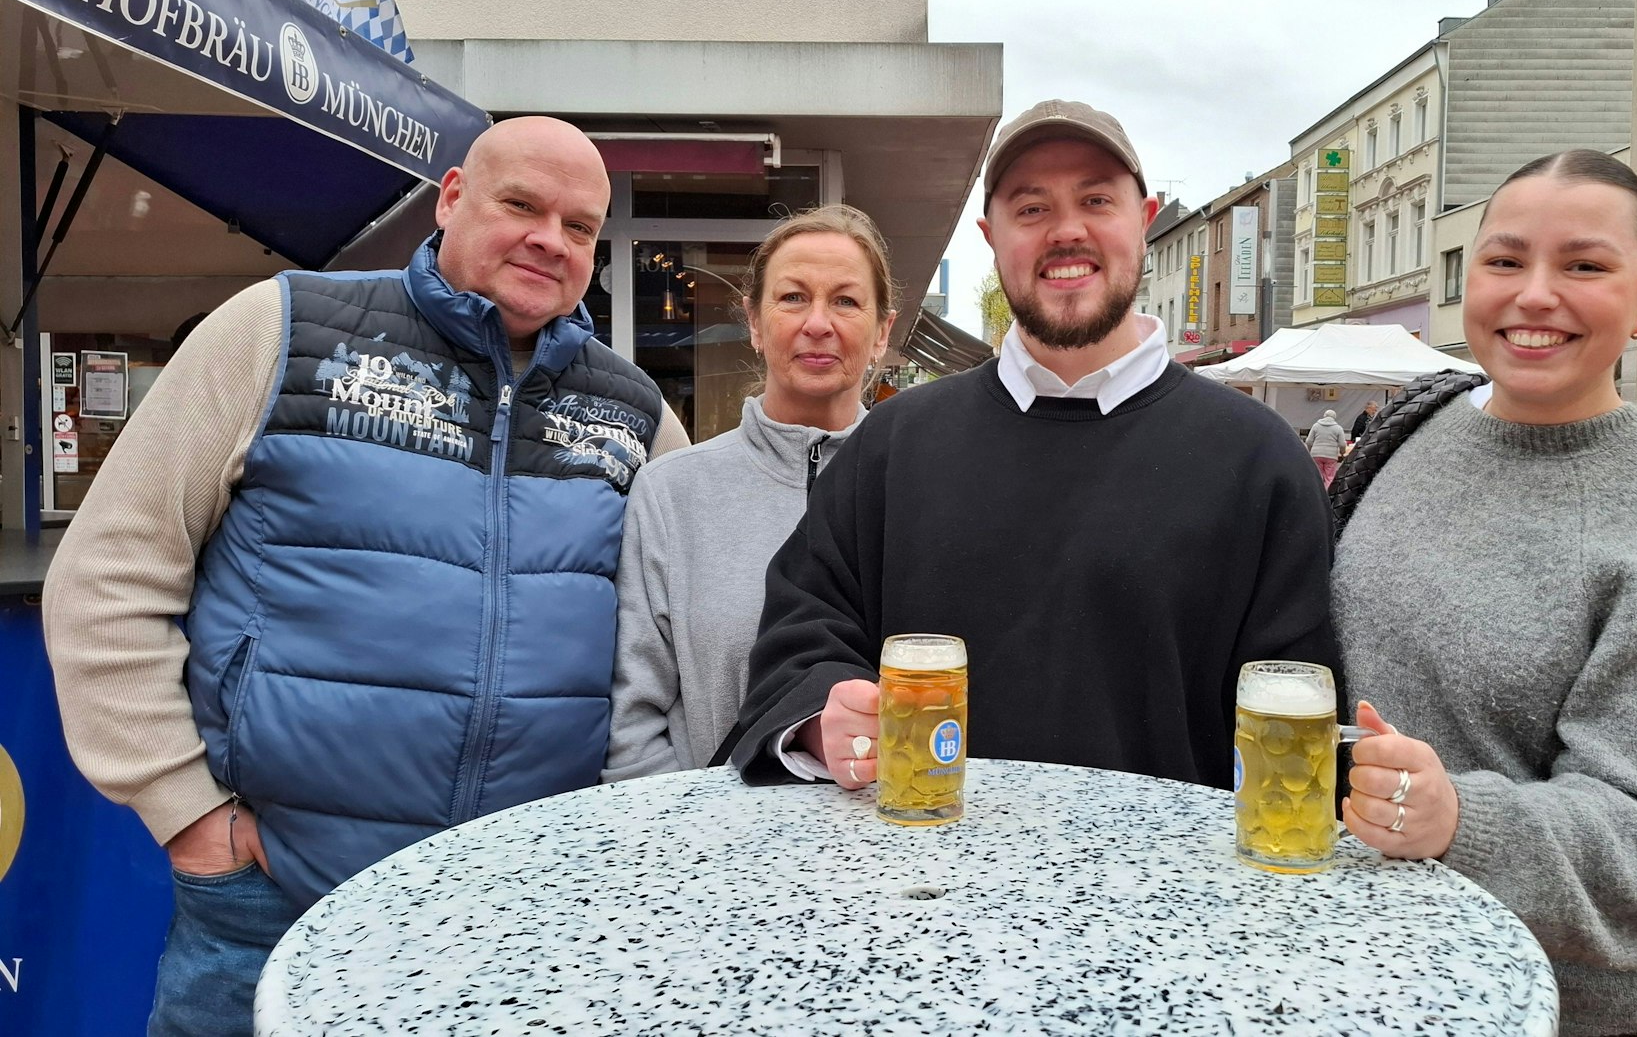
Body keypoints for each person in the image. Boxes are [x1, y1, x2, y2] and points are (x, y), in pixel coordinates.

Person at [42, 116, 687, 1037]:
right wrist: (189, 814)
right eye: (522, 206)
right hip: (272, 899)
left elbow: (677, 630)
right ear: (453, 197)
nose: (551, 239)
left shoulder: (631, 409)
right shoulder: (281, 328)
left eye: (580, 227)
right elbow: (111, 572)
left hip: (527, 913)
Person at [719, 99, 1337, 790]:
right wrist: (821, 717)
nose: (1066, 231)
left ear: (1145, 217)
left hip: (1167, 890)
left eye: (1096, 199)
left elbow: (1305, 722)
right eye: (1032, 208)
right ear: (991, 235)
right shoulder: (893, 446)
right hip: (923, 884)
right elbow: (803, 638)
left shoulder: (1260, 462)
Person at [1332, 150, 1637, 1036]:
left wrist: (1461, 818)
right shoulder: (1408, 436)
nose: (1535, 295)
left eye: (1584, 266)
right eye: (1505, 261)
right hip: (1407, 971)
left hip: (1608, 1010)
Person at [605, 205, 897, 778]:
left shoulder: (922, 491)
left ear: (882, 330)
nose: (818, 323)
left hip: (900, 848)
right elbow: (631, 722)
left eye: (845, 300)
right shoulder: (672, 492)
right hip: (713, 848)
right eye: (792, 298)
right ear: (755, 324)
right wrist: (696, 846)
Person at [1304, 407, 1348, 488]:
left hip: (1316, 455)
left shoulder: (1316, 426)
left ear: (1324, 416)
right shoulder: (1338, 428)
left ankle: (1318, 494)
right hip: (1331, 456)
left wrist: (1311, 450)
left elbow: (1309, 441)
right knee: (1330, 477)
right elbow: (1342, 444)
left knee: (1317, 476)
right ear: (1334, 417)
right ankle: (1328, 495)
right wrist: (1342, 453)